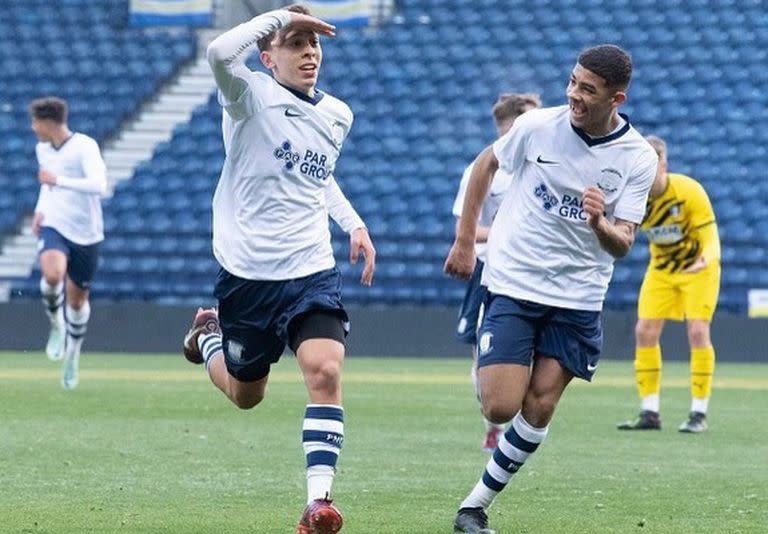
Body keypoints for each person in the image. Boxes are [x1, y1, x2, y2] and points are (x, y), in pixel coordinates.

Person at [444, 44, 658, 533]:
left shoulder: (637, 158)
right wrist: (463, 241)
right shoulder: (538, 126)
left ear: (616, 98)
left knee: (539, 405)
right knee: (500, 404)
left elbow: (623, 243)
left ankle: (474, 507)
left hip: (577, 298)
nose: (574, 95)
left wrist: (600, 221)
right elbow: (485, 166)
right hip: (514, 281)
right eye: (573, 82)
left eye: (588, 90)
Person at [180, 5, 375, 534]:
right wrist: (277, 16)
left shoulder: (338, 113)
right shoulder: (248, 96)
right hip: (247, 274)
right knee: (247, 395)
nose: (310, 52)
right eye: (296, 43)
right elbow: (219, 51)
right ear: (268, 57)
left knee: (325, 371)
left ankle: (318, 504)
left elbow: (318, 176)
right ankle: (210, 338)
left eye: (315, 43)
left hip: (311, 268)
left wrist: (353, 223)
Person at [452, 93, 541, 452]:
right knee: (482, 353)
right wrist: (511, 231)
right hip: (490, 268)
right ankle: (493, 423)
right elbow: (468, 229)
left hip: (533, 270)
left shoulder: (544, 167)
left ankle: (519, 423)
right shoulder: (484, 169)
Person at [617, 135, 720, 434]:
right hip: (661, 269)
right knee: (644, 331)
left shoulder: (689, 191)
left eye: (653, 165)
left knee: (698, 331)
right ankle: (650, 411)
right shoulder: (635, 197)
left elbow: (711, 237)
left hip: (697, 269)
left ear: (664, 164)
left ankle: (698, 412)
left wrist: (707, 258)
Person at [30, 96, 107, 390]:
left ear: (48, 122)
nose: (33, 128)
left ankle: (73, 354)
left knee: (77, 301)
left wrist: (58, 180)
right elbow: (47, 186)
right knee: (52, 275)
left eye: (35, 122)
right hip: (55, 223)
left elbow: (99, 185)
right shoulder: (42, 149)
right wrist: (40, 209)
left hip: (86, 233)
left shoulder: (84, 147)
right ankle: (56, 325)